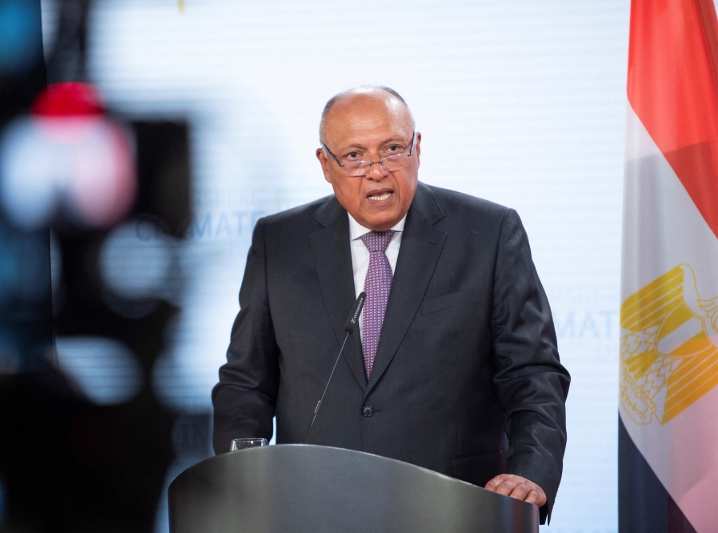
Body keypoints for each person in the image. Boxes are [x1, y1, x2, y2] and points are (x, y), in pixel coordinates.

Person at [212, 86, 570, 523]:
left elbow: (532, 373)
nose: (377, 171)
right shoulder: (280, 242)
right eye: (355, 156)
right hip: (312, 510)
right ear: (325, 164)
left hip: (455, 509)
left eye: (393, 149)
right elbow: (245, 384)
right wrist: (239, 478)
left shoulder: (489, 233)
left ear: (417, 148)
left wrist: (530, 471)